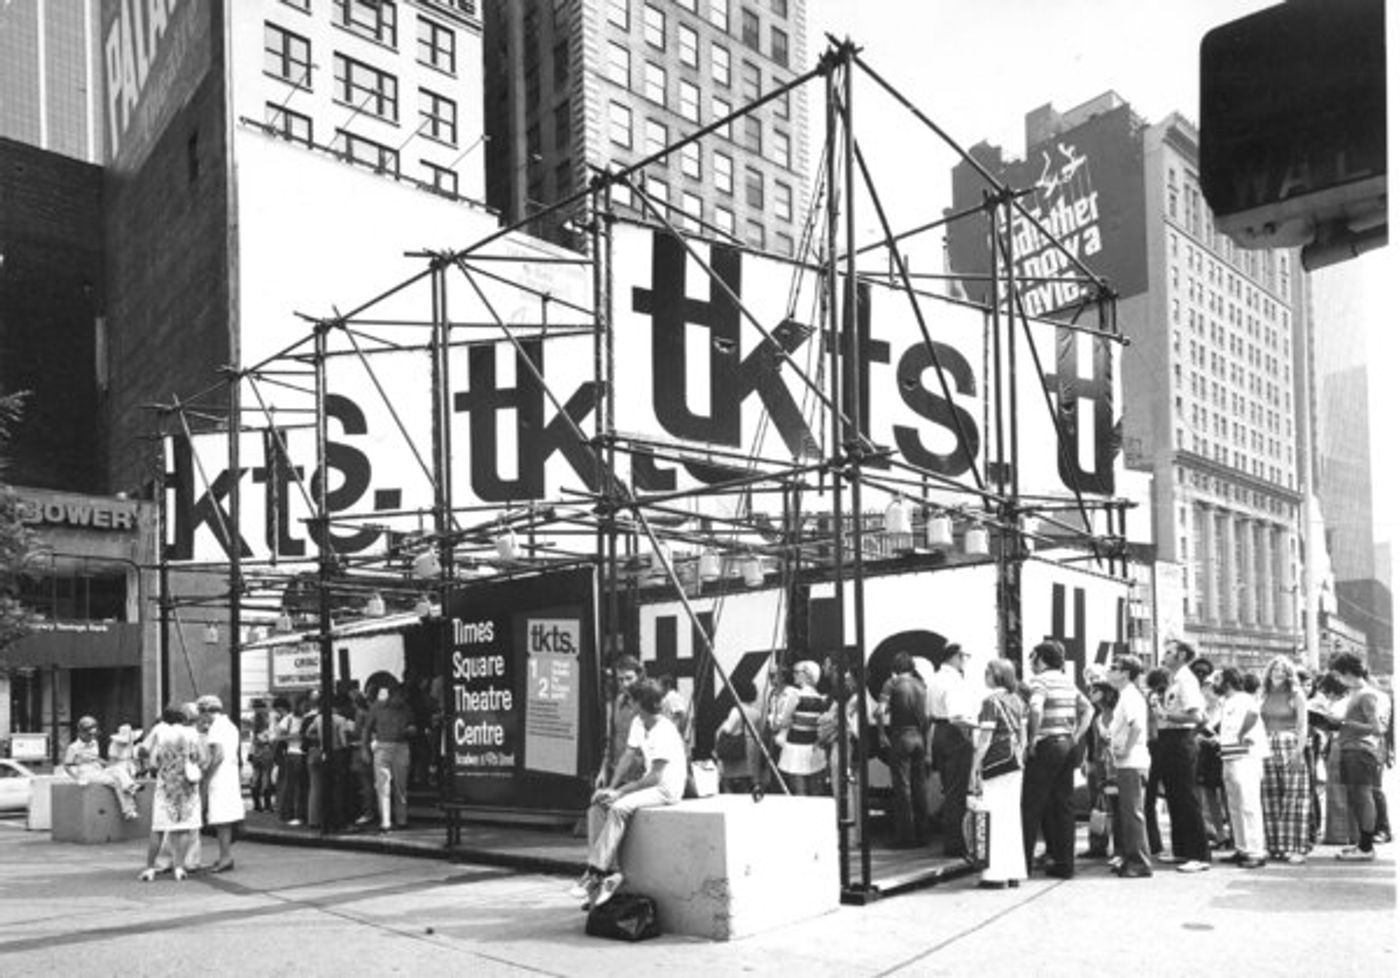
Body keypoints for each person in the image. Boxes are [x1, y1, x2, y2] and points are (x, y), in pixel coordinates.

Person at [569, 679, 686, 910]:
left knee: (619, 807)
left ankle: (594, 873)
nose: (629, 703)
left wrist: (619, 793)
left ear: (641, 703)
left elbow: (655, 778)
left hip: (667, 788)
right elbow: (628, 756)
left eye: (632, 700)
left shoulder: (665, 731)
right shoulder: (638, 723)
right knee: (596, 808)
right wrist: (610, 789)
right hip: (651, 784)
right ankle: (609, 873)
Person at [1020, 640, 1092, 879]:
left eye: (1033, 657)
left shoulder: (1039, 681)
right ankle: (1064, 865)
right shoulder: (1066, 681)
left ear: (1041, 659)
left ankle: (1023, 863)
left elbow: (1036, 708)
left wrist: (1031, 739)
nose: (1031, 662)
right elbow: (1088, 709)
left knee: (1031, 805)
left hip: (1046, 745)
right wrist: (1076, 735)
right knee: (1063, 805)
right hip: (1066, 745)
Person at [1153, 639, 1212, 872]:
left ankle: (1199, 854)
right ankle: (1182, 850)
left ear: (1181, 656)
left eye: (1169, 652)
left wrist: (1165, 715)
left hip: (1180, 739)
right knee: (1175, 796)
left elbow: (1197, 716)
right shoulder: (1175, 680)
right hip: (1169, 740)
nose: (1164, 655)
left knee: (1186, 796)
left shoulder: (1186, 681)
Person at [970, 659, 1027, 888]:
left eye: (987, 672)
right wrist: (1020, 756)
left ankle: (994, 874)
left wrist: (974, 767)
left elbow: (984, 741)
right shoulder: (1018, 700)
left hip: (995, 764)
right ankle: (1014, 871)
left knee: (993, 817)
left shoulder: (990, 702)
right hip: (1015, 763)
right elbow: (1023, 735)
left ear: (996, 675)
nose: (985, 675)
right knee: (1012, 817)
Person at [138, 704, 205, 882]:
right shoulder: (191, 732)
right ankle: (179, 868)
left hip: (165, 785)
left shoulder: (159, 730)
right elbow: (202, 757)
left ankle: (150, 868)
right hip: (186, 786)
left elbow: (142, 751)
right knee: (182, 827)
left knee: (158, 828)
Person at [1331, 653, 1387, 861]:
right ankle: (1363, 843)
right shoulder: (1356, 693)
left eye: (1338, 675)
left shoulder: (1366, 695)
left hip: (1360, 751)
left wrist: (1344, 724)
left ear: (1347, 673)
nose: (1337, 680)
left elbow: (1377, 728)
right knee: (1357, 797)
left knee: (1363, 797)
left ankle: (1366, 847)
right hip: (1351, 749)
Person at [1259, 655, 1311, 864]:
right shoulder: (1263, 694)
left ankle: (1295, 847)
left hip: (1290, 744)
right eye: (1274, 670)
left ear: (1289, 674)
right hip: (1266, 745)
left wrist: (1299, 751)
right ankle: (1274, 846)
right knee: (1269, 797)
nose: (1278, 674)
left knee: (1294, 797)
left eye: (1282, 670)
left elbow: (1303, 725)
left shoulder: (1296, 694)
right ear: (1269, 673)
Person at [928, 643, 978, 859]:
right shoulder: (954, 681)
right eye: (965, 656)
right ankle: (956, 844)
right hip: (956, 733)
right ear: (956, 657)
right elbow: (957, 716)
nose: (966, 660)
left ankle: (951, 840)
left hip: (939, 731)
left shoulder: (935, 678)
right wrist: (976, 729)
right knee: (957, 792)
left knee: (949, 789)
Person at [878, 651, 930, 847]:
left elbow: (879, 711)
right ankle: (923, 835)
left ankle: (905, 837)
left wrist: (882, 733)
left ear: (895, 668)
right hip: (919, 737)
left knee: (902, 788)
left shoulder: (892, 684)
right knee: (920, 786)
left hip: (900, 736)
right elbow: (926, 717)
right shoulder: (920, 685)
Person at [1107, 655, 1153, 878]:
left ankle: (1139, 861)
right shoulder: (1125, 695)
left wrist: (1125, 749)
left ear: (1125, 673)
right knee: (1128, 812)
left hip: (1132, 761)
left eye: (1114, 668)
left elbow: (1136, 727)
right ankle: (1131, 857)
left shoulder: (1130, 696)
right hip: (1127, 762)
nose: (1110, 672)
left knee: (1133, 812)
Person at [1216, 668, 1267, 869]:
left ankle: (1256, 850)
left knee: (1249, 804)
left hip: (1245, 756)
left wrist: (1241, 733)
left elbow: (1254, 714)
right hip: (1230, 755)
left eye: (1218, 679)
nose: (1215, 683)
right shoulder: (1226, 702)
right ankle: (1242, 847)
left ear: (1228, 682)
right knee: (1235, 805)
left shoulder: (1244, 698)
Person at [362, 675, 416, 833]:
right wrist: (364, 749)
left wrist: (411, 730)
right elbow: (367, 728)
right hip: (383, 745)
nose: (401, 700)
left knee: (401, 786)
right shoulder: (377, 707)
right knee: (382, 785)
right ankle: (385, 821)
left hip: (401, 745)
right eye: (400, 696)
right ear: (392, 695)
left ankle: (401, 819)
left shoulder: (406, 708)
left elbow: (413, 726)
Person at [62, 716, 141, 821]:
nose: (92, 737)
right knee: (115, 781)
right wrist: (77, 778)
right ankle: (128, 810)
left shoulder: (94, 743)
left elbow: (96, 759)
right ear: (82, 733)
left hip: (98, 770)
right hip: (86, 773)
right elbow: (67, 766)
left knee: (117, 770)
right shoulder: (73, 747)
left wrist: (109, 765)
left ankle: (131, 786)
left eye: (93, 735)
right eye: (89, 735)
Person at [196, 695, 243, 873]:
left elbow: (218, 755)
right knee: (225, 818)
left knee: (221, 818)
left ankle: (225, 857)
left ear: (207, 711)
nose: (201, 717)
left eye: (201, 712)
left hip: (219, 777)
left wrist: (206, 775)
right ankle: (225, 855)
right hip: (230, 775)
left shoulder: (216, 727)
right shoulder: (230, 725)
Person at [596, 656, 645, 790]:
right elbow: (611, 737)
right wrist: (603, 770)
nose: (625, 684)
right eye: (620, 679)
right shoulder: (618, 701)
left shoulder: (647, 703)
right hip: (619, 773)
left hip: (641, 776)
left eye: (629, 678)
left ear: (639, 677)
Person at [715, 678, 763, 794]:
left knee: (728, 781)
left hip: (736, 748)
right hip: (751, 748)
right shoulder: (757, 712)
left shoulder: (736, 710)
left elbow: (728, 729)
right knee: (746, 781)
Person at [1142, 666, 1171, 856]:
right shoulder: (1164, 696)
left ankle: (1153, 842)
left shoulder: (1149, 697)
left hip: (1152, 746)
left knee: (1148, 798)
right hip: (1167, 744)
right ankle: (1156, 842)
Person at [276, 694, 310, 825]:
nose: (306, 706)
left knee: (301, 786)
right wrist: (296, 736)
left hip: (303, 753)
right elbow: (278, 736)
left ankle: (300, 813)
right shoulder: (289, 718)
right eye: (304, 704)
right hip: (294, 753)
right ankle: (294, 814)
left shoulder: (308, 717)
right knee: (295, 786)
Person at [249, 701, 276, 813]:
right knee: (266, 777)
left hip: (255, 752)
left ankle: (256, 804)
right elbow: (270, 738)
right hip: (266, 751)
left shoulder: (254, 721)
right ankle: (267, 805)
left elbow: (253, 740)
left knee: (255, 777)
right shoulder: (268, 721)